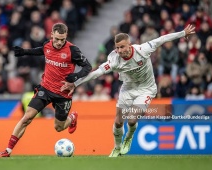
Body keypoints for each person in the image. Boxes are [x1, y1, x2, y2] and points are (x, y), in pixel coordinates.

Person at [61, 24, 195, 157]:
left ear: (129, 45)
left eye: (122, 47)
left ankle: (129, 137)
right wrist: (76, 84)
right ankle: (117, 148)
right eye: (117, 47)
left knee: (131, 119)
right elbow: (96, 73)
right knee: (118, 121)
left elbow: (162, 39)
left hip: (146, 89)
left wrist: (182, 33)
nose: (119, 50)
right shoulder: (114, 60)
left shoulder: (143, 50)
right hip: (128, 88)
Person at [0, 23, 92, 157]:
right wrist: (24, 51)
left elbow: (88, 67)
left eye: (62, 39)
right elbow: (41, 50)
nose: (59, 42)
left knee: (58, 128)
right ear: (52, 35)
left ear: (66, 37)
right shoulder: (47, 44)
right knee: (27, 117)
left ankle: (72, 118)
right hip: (45, 89)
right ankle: (7, 151)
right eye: (57, 39)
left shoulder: (73, 50)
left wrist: (75, 76)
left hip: (63, 94)